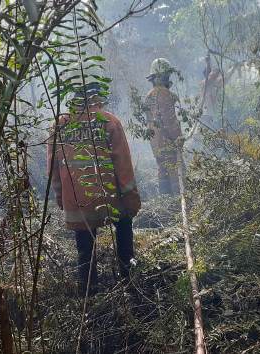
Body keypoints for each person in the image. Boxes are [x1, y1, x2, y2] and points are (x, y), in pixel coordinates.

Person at [47, 82, 141, 296]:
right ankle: (128, 283)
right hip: (109, 199)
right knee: (124, 227)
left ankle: (88, 294)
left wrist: (60, 195)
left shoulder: (59, 125)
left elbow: (52, 166)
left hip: (76, 201)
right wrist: (131, 198)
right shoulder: (109, 122)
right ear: (97, 98)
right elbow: (123, 166)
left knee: (84, 249)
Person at [144, 58, 182, 195]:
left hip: (156, 144)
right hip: (168, 142)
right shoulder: (165, 94)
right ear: (163, 76)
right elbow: (170, 121)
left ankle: (165, 205)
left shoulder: (148, 96)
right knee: (175, 173)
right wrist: (179, 138)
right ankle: (178, 205)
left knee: (162, 171)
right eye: (167, 75)